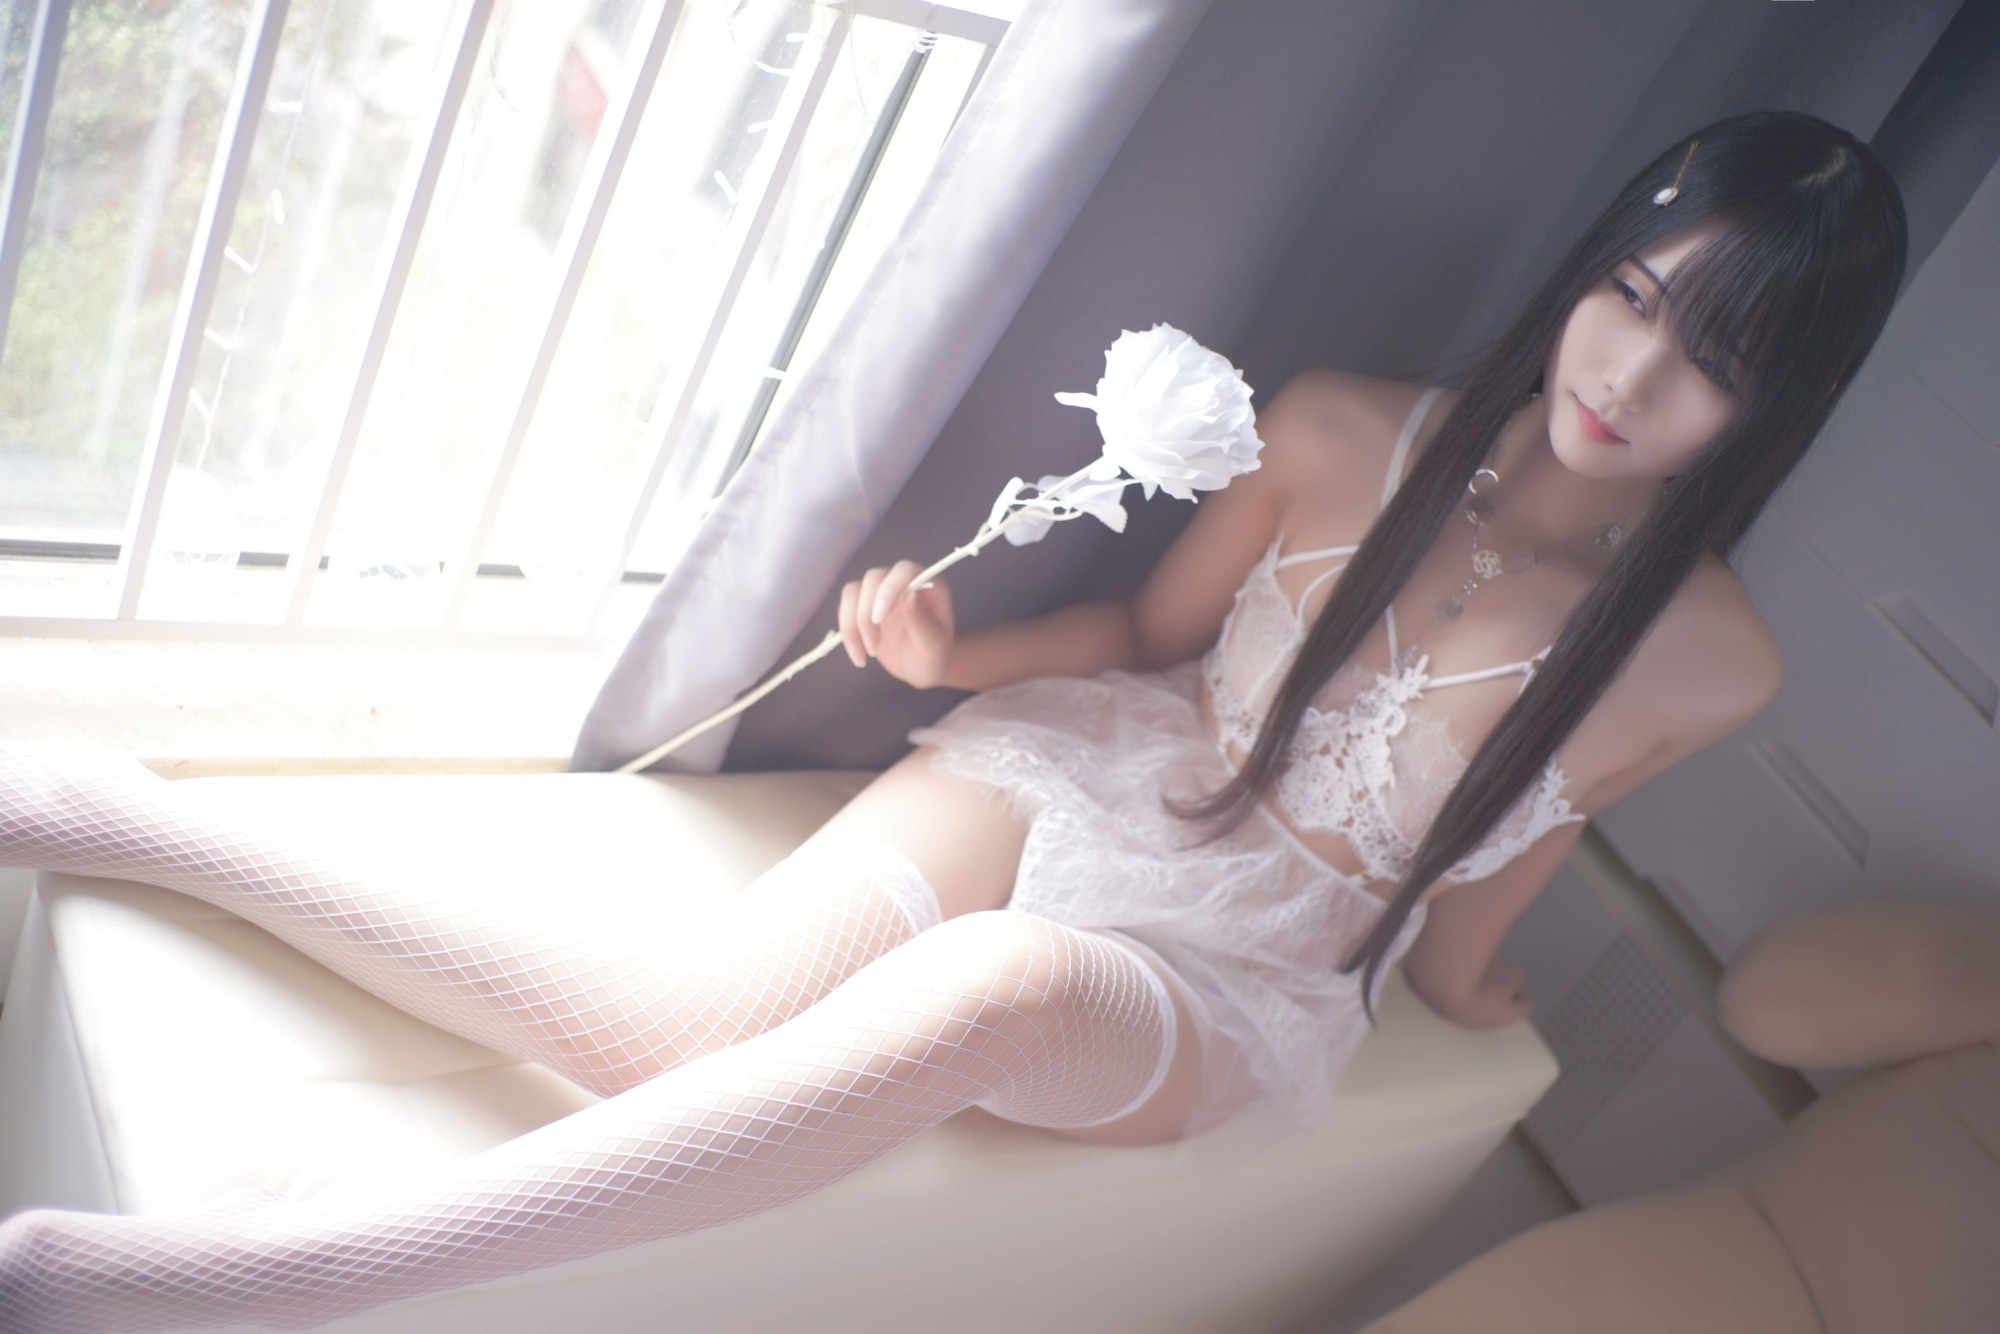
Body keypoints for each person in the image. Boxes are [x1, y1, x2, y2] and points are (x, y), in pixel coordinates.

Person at [0, 110, 1905, 1330]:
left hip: (1250, 971)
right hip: (1119, 763)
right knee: (675, 1023)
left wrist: (1474, 987)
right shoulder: (1336, 430)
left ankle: (284, 1274)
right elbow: (1145, 636)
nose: (1631, 371)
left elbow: (1509, 850)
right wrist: (943, 661)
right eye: (1632, 295)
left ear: (1777, 405)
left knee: (994, 990)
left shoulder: (1709, 658)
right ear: (1592, 265)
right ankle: (119, 808)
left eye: (1713, 358)